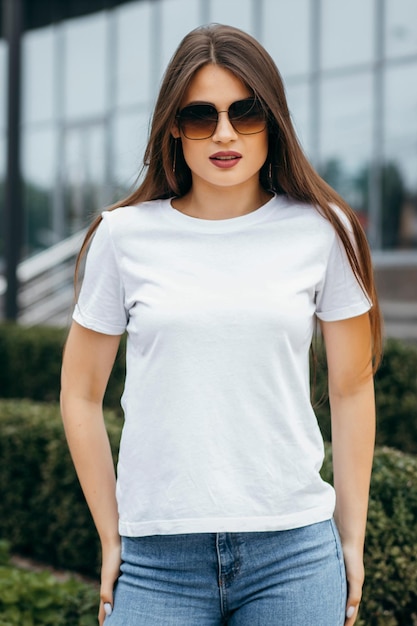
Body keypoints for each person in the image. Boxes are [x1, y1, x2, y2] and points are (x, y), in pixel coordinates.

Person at [60, 23, 382, 626]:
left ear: (274, 119)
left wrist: (351, 538)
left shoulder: (326, 230)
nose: (225, 133)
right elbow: (78, 395)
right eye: (202, 116)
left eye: (246, 111)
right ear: (174, 127)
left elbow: (352, 386)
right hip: (157, 561)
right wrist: (111, 537)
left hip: (294, 553)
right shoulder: (123, 236)